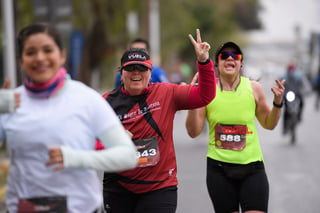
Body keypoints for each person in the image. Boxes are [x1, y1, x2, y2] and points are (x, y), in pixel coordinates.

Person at [0, 23, 137, 213]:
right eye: (31, 52)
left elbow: (128, 155)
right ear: (21, 60)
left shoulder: (86, 99)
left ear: (62, 55)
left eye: (47, 50)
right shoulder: (10, 102)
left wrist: (76, 158)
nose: (40, 58)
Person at [101, 29, 216, 213]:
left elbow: (205, 96)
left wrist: (203, 62)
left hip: (159, 187)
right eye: (130, 68)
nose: (136, 73)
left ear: (150, 71)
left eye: (142, 68)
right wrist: (113, 140)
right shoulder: (105, 103)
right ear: (121, 73)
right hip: (119, 187)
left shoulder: (166, 93)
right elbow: (88, 140)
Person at [185, 41, 285, 213]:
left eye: (235, 56)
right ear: (216, 64)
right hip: (219, 171)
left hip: (252, 169)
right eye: (224, 56)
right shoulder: (206, 90)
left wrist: (277, 103)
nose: (229, 58)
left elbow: (269, 124)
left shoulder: (254, 88)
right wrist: (193, 101)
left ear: (241, 63)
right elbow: (193, 132)